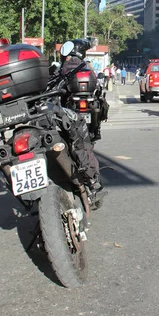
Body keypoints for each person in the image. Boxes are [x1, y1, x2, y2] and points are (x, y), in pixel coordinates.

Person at [57, 39, 106, 199]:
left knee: (78, 144)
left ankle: (90, 180)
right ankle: (92, 179)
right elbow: (98, 88)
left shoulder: (64, 68)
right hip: (87, 115)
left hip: (70, 113)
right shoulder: (86, 67)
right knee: (84, 145)